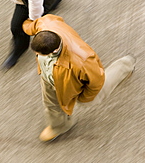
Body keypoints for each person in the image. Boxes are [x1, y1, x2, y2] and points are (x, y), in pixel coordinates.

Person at [23, 14, 136, 142]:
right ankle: (60, 126)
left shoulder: (83, 60)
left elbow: (96, 81)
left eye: (39, 54)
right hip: (50, 76)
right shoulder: (47, 26)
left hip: (72, 82)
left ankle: (125, 65)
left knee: (99, 91)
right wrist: (25, 25)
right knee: (51, 103)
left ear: (54, 51)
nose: (36, 55)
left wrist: (84, 97)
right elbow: (41, 22)